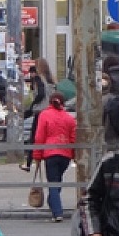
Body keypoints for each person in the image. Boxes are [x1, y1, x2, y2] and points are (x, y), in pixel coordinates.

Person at [32, 92, 76, 222]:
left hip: (50, 152)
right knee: (57, 180)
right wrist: (73, 154)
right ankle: (53, 203)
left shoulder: (44, 115)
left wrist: (37, 154)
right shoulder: (69, 118)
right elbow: (73, 138)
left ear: (50, 102)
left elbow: (40, 136)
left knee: (53, 182)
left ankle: (57, 212)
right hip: (65, 154)